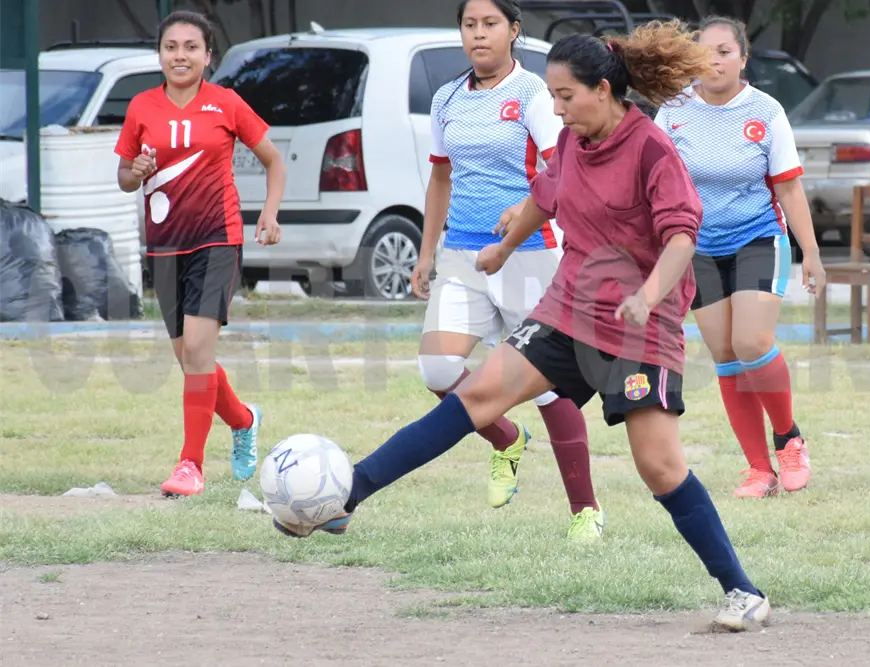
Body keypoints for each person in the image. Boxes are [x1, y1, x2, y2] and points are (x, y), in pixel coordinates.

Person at [275, 20, 774, 632]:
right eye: (554, 98)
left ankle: (742, 590)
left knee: (660, 467)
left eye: (566, 97)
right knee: (478, 394)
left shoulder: (651, 149)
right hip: (569, 309)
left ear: (604, 90)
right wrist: (503, 249)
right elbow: (544, 195)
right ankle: (345, 498)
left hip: (640, 327)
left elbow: (680, 238)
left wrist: (647, 295)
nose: (557, 110)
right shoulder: (572, 144)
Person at [411, 0, 602, 540]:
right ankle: (505, 441)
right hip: (461, 256)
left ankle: (584, 510)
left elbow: (561, 163)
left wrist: (528, 207)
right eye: (469, 25)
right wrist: (427, 253)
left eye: (490, 24)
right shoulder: (446, 98)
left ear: (513, 31)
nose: (479, 34)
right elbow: (441, 179)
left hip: (529, 252)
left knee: (547, 385)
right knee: (437, 370)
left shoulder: (533, 94)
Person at [114, 10, 285, 497]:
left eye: (191, 47)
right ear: (160, 55)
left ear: (207, 56)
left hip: (217, 238)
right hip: (166, 246)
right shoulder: (142, 107)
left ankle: (190, 465)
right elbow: (125, 179)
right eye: (172, 47)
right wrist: (138, 170)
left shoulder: (226, 104)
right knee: (188, 358)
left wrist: (269, 215)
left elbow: (274, 161)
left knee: (197, 351)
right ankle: (244, 419)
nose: (180, 55)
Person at [654, 17, 823, 499]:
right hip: (697, 247)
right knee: (725, 354)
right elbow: (655, 182)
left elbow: (788, 188)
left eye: (725, 51)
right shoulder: (673, 111)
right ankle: (758, 470)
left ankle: (788, 438)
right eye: (705, 52)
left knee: (750, 341)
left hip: (756, 237)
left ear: (743, 59)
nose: (714, 61)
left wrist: (809, 252)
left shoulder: (767, 112)